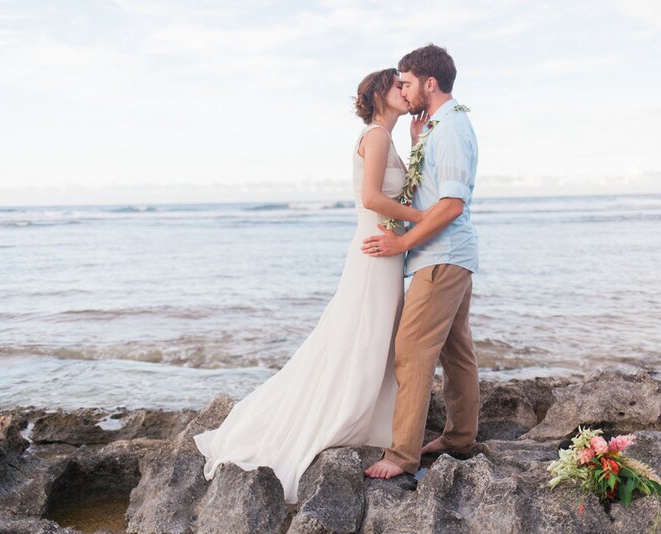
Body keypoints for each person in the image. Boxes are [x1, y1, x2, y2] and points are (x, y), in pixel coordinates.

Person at [193, 67, 421, 503]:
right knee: (365, 331)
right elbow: (372, 198)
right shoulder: (374, 136)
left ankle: (373, 414)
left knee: (374, 332)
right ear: (379, 93)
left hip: (385, 246)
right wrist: (426, 220)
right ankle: (342, 413)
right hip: (375, 247)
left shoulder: (387, 138)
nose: (405, 91)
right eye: (398, 85)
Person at [362, 44, 480, 479]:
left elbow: (450, 205)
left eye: (408, 83)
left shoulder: (449, 130)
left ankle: (401, 457)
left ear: (430, 83)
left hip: (441, 256)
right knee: (456, 350)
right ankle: (459, 439)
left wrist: (402, 242)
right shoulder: (437, 128)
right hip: (452, 255)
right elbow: (433, 192)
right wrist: (417, 143)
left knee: (410, 352)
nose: (404, 90)